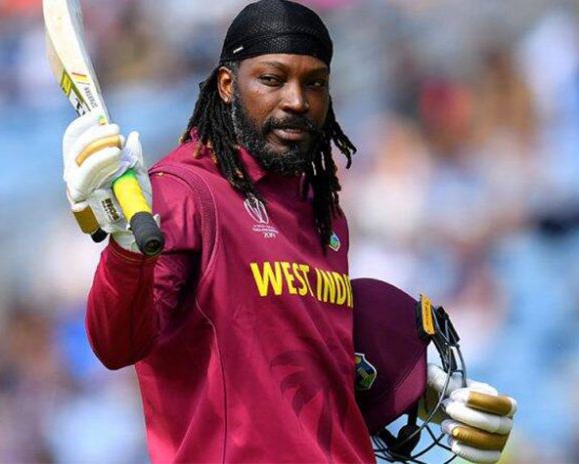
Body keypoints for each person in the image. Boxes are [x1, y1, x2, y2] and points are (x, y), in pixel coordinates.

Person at [60, 1, 517, 462]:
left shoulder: (322, 209)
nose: (297, 101)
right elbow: (117, 344)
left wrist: (422, 388)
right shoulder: (184, 192)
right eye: (272, 79)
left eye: (314, 83)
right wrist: (126, 250)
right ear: (227, 85)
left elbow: (287, 348)